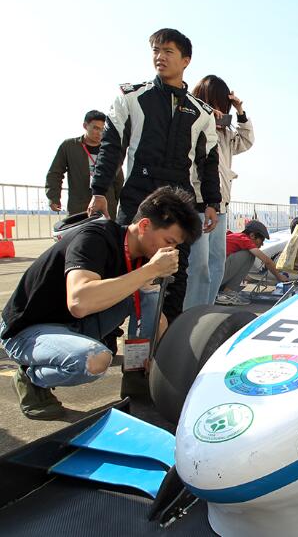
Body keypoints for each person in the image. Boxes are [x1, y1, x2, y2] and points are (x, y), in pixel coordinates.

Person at [2, 187, 201, 420]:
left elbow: (156, 316)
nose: (171, 250)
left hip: (71, 325)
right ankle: (30, 376)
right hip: (27, 330)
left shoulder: (140, 258)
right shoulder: (94, 237)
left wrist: (158, 360)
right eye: (169, 241)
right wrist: (151, 270)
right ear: (145, 225)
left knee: (147, 295)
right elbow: (79, 302)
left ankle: (137, 379)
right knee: (94, 361)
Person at [87, 28, 221, 325]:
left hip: (180, 201)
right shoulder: (131, 97)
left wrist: (212, 202)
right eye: (156, 51)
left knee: (174, 274)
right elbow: (111, 147)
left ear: (186, 60)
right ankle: (108, 335)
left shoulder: (202, 113)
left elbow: (208, 162)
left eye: (168, 51)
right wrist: (99, 191)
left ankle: (164, 342)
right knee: (120, 265)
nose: (160, 57)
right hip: (138, 196)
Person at [183, 75, 254, 310]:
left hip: (221, 204)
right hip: (199, 203)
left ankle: (206, 308)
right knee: (198, 264)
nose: (220, 111)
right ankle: (190, 313)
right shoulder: (191, 124)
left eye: (224, 107)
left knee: (216, 262)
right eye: (217, 104)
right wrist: (204, 118)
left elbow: (246, 141)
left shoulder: (225, 134)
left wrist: (240, 111)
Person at [46, 110, 124, 215]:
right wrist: (53, 198)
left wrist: (117, 203)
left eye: (103, 129)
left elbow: (118, 180)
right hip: (79, 207)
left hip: (106, 207)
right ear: (85, 126)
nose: (100, 133)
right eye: (96, 128)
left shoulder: (109, 150)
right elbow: (55, 173)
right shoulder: (69, 146)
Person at [216, 220, 287, 306]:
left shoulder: (234, 236)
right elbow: (267, 261)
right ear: (252, 235)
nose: (262, 244)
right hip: (216, 276)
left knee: (246, 254)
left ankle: (224, 293)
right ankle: (227, 294)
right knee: (249, 255)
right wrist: (279, 277)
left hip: (214, 276)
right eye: (261, 240)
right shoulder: (244, 240)